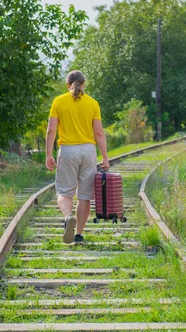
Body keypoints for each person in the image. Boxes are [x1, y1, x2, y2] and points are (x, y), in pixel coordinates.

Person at [45, 70, 110, 244]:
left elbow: (51, 130)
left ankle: (68, 218)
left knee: (64, 191)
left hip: (67, 150)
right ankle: (79, 234)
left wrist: (49, 155)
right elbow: (99, 132)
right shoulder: (92, 103)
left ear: (68, 85)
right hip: (88, 151)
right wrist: (105, 157)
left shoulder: (58, 101)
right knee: (84, 196)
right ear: (83, 84)